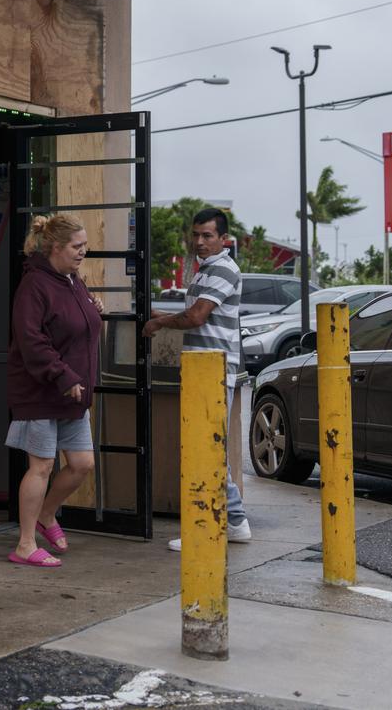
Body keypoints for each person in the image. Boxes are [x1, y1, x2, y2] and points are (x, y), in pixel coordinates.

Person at [143, 207, 251, 550]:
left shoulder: (222, 268)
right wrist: (162, 314)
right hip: (202, 369)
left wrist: (159, 323)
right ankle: (234, 521)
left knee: (207, 450)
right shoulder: (205, 269)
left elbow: (197, 317)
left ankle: (209, 526)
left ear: (224, 239)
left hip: (213, 371)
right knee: (210, 449)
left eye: (208, 236)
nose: (200, 242)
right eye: (196, 235)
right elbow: (193, 314)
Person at [5, 214, 104, 568]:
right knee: (42, 466)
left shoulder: (73, 280)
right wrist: (62, 376)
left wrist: (94, 309)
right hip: (42, 391)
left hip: (72, 392)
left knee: (81, 464)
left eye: (85, 246)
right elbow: (32, 341)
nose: (83, 253)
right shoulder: (34, 285)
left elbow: (76, 322)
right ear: (55, 248)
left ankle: (47, 514)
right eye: (77, 247)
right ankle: (25, 544)